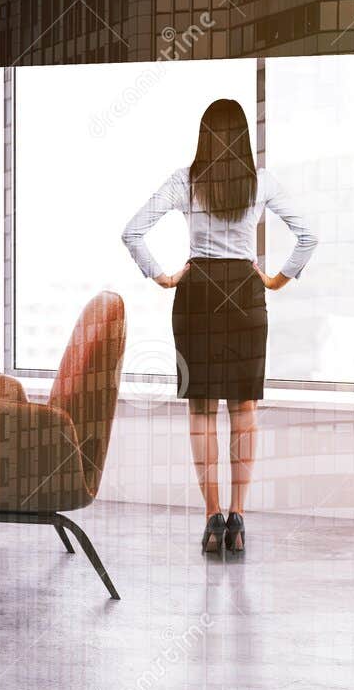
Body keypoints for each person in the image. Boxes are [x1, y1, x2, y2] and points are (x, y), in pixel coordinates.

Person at [122, 99, 317, 554]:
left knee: (202, 411)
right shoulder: (260, 182)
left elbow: (132, 231)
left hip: (199, 295)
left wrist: (163, 275)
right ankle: (239, 519)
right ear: (244, 138)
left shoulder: (185, 181)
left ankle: (212, 520)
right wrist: (275, 280)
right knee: (243, 410)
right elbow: (308, 236)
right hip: (245, 297)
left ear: (204, 137)